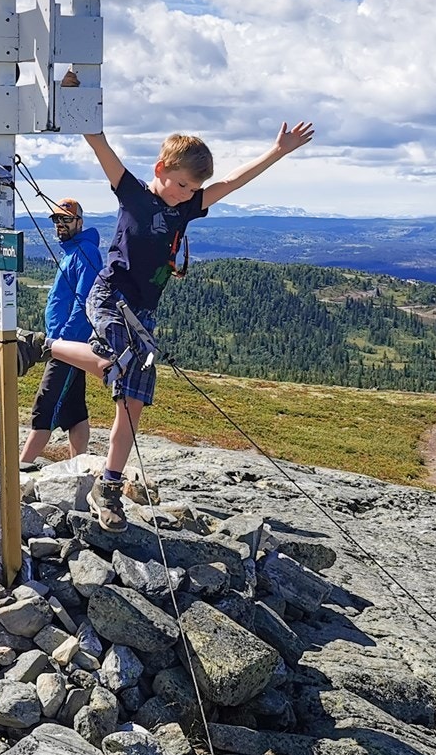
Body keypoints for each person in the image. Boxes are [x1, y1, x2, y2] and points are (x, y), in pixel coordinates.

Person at [20, 122, 314, 532]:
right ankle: (44, 346)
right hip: (108, 297)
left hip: (143, 313)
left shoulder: (187, 207)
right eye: (180, 185)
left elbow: (231, 182)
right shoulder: (134, 194)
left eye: (193, 190)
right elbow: (100, 145)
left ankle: (108, 487)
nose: (186, 195)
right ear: (160, 169)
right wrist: (79, 104)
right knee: (117, 362)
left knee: (133, 400)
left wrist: (277, 151)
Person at [19, 198, 102, 468]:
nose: (60, 225)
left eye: (66, 219)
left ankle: (20, 469)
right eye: (56, 220)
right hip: (64, 343)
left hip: (67, 345)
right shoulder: (72, 251)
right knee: (74, 410)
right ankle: (80, 467)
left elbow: (84, 302)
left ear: (80, 221)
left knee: (45, 406)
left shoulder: (86, 253)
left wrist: (61, 340)